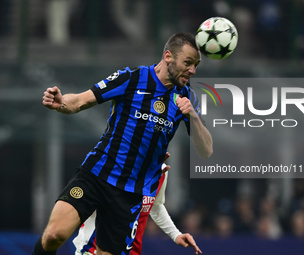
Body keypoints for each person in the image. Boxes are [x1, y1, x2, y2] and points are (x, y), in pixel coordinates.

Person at [33, 32, 212, 255]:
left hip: (129, 195)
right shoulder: (131, 78)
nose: (192, 71)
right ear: (168, 56)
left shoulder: (187, 98)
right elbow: (79, 101)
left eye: (196, 65)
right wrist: (61, 103)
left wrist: (193, 116)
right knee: (54, 235)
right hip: (97, 174)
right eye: (188, 63)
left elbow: (206, 151)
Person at [73, 168, 202, 255]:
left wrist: (175, 234)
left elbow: (155, 205)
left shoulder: (161, 170)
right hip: (92, 249)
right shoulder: (112, 164)